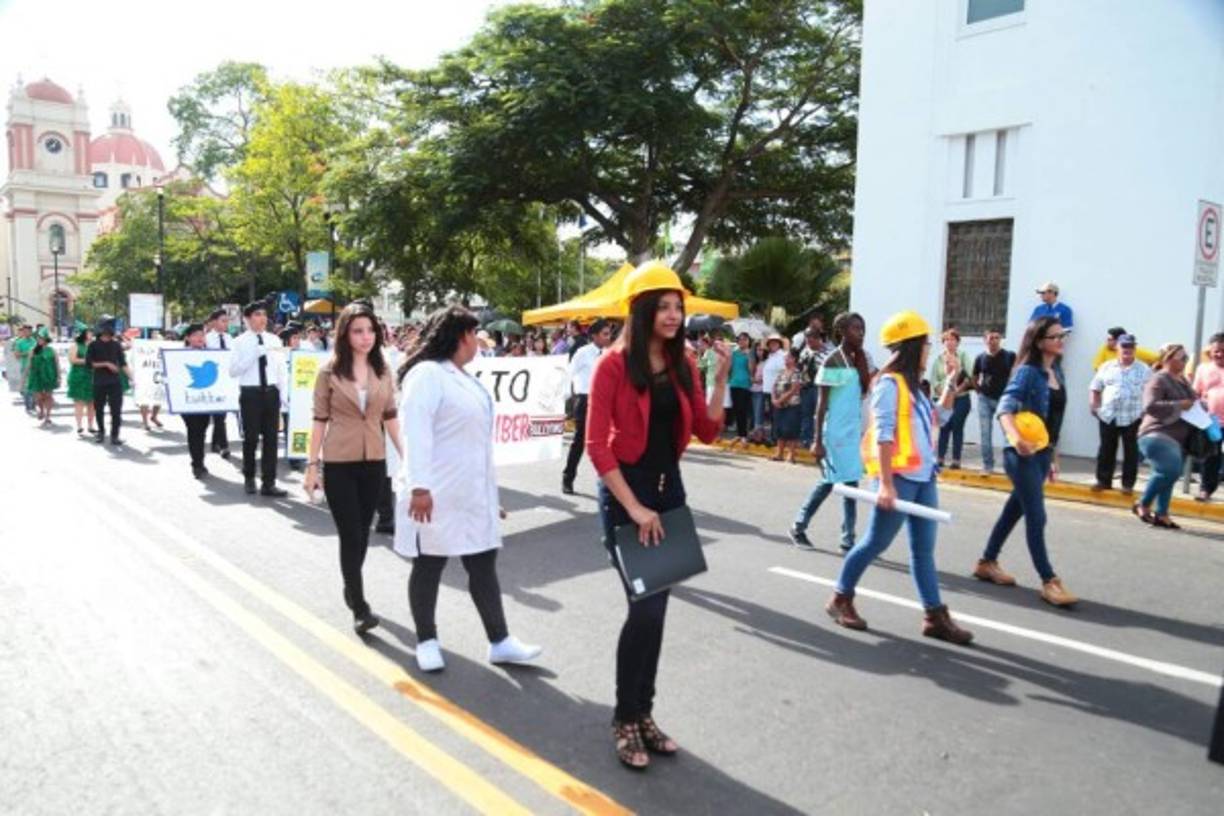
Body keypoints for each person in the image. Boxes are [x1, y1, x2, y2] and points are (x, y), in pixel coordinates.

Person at [586, 260, 729, 770]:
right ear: (642, 310)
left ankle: (644, 713)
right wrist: (635, 507)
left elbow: (708, 431)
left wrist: (718, 381)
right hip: (629, 497)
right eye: (664, 307)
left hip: (670, 496)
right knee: (644, 609)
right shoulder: (611, 365)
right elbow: (596, 447)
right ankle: (625, 719)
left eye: (678, 307)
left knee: (658, 611)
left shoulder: (683, 361)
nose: (673, 315)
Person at [394, 304, 541, 673]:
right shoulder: (427, 375)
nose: (479, 340)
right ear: (460, 336)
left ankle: (500, 641)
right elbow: (416, 435)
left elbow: (475, 444)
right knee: (429, 564)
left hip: (471, 493)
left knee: (483, 563)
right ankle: (426, 640)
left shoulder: (464, 378)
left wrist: (490, 497)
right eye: (474, 333)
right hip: (434, 492)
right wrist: (420, 488)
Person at [825, 310, 972, 645]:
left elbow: (940, 417)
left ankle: (934, 616)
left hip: (924, 478)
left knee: (923, 551)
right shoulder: (889, 384)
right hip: (899, 479)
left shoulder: (914, 387)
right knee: (875, 542)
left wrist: (951, 381)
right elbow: (884, 434)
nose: (929, 350)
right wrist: (887, 485)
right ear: (911, 346)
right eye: (925, 344)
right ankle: (840, 598)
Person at [303, 303, 403, 634]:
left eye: (371, 330)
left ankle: (351, 586)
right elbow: (319, 419)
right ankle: (360, 607)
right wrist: (312, 466)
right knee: (350, 534)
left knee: (363, 532)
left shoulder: (384, 370)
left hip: (374, 460)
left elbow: (390, 416)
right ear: (345, 334)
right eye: (358, 331)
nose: (366, 337)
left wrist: (408, 456)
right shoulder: (328, 372)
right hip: (339, 462)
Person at [974, 317, 1078, 607]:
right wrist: (1016, 439)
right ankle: (1049, 580)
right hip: (1021, 455)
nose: (1061, 340)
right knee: (1037, 515)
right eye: (1055, 336)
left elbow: (1052, 422)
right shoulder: (1027, 373)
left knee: (1014, 510)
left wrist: (1053, 456)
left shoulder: (1056, 372)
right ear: (1039, 342)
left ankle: (987, 562)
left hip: (1042, 454)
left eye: (1062, 335)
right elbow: (1005, 408)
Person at [790, 312, 871, 552]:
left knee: (850, 485)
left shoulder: (859, 359)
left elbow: (866, 389)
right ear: (841, 332)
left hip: (850, 435)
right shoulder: (832, 360)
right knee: (829, 482)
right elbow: (821, 404)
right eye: (855, 329)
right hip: (832, 435)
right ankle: (799, 526)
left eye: (862, 329)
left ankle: (848, 540)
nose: (861, 333)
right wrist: (817, 440)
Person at [1135, 344, 1199, 530]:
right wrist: (1179, 404)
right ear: (1168, 359)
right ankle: (1143, 503)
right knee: (1171, 471)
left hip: (1178, 437)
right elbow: (1150, 405)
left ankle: (1162, 514)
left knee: (1167, 475)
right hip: (1157, 432)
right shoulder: (1158, 379)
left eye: (1186, 357)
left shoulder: (1183, 380)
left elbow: (1192, 402)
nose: (1186, 360)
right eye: (1182, 357)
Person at [229, 301, 288, 497]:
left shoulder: (274, 340)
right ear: (247, 319)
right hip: (250, 393)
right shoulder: (239, 342)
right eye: (257, 314)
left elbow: (281, 369)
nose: (262, 318)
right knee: (251, 438)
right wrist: (253, 355)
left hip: (271, 393)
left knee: (272, 439)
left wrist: (283, 394)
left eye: (264, 314)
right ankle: (249, 477)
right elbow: (233, 371)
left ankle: (269, 483)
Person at [1089, 334, 1151, 493]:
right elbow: (1095, 387)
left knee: (1131, 452)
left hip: (1133, 416)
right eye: (1124, 346)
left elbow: (1150, 393)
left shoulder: (1144, 369)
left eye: (1130, 346)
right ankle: (1103, 481)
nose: (1127, 349)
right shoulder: (1106, 367)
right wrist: (1094, 405)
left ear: (1135, 348)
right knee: (1106, 450)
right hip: (1108, 415)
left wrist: (1145, 414)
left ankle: (1127, 485)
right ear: (1118, 347)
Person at [563, 318, 612, 495]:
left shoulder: (608, 354)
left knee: (606, 444)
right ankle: (568, 478)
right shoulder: (582, 353)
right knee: (579, 442)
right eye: (605, 334)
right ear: (594, 336)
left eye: (609, 334)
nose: (608, 337)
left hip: (603, 402)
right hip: (584, 400)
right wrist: (565, 399)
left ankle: (609, 484)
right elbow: (569, 374)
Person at [972, 328, 1015, 474]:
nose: (994, 341)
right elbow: (974, 377)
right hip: (985, 399)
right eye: (991, 338)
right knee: (985, 434)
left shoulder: (1009, 356)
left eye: (997, 337)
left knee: (1008, 434)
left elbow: (1015, 374)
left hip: (1004, 400)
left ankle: (1010, 466)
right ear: (985, 340)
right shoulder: (980, 358)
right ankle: (987, 465)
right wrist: (979, 391)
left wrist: (1011, 394)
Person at [929, 328, 973, 469]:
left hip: (961, 398)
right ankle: (940, 458)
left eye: (952, 339)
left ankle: (956, 460)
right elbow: (934, 381)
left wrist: (955, 391)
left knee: (957, 427)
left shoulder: (963, 356)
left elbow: (969, 377)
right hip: (942, 398)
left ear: (958, 342)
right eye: (946, 339)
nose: (949, 342)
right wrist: (944, 393)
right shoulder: (938, 359)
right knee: (944, 427)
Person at [86, 321, 132, 446]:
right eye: (106, 332)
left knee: (116, 410)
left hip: (115, 382)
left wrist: (132, 378)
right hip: (99, 382)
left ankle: (114, 436)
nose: (108, 335)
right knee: (99, 409)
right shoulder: (93, 345)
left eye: (110, 333)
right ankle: (101, 432)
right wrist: (106, 364)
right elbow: (89, 364)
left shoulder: (116, 345)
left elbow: (123, 363)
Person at [180, 325, 215, 479]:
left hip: (205, 401)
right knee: (194, 431)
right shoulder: (179, 356)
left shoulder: (210, 355)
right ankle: (197, 464)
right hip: (187, 402)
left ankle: (199, 460)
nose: (200, 338)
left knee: (202, 430)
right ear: (188, 338)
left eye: (202, 335)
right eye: (196, 335)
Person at [1193, 333, 1224, 502]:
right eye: (1216, 351)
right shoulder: (1203, 369)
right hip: (1212, 421)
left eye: (1223, 351)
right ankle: (1205, 489)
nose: (1219, 354)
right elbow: (1196, 393)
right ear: (1210, 351)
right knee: (1210, 457)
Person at [797, 323, 833, 447]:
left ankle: (821, 440)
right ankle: (806, 440)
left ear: (818, 338)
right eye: (807, 338)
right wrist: (800, 381)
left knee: (821, 414)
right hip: (806, 388)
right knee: (806, 414)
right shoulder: (804, 352)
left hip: (821, 388)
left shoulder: (829, 352)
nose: (808, 341)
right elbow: (800, 368)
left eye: (811, 338)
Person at [204, 308, 232, 459]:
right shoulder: (207, 339)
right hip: (212, 381)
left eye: (227, 321)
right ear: (214, 322)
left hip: (227, 380)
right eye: (223, 321)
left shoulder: (230, 338)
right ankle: (224, 445)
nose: (226, 324)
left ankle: (215, 443)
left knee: (221, 415)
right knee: (219, 415)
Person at [771, 349, 803, 462]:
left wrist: (780, 400)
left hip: (792, 405)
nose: (785, 359)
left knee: (791, 429)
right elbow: (774, 386)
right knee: (779, 429)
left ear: (794, 359)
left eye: (788, 357)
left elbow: (794, 389)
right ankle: (779, 453)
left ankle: (791, 454)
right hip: (779, 405)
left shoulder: (796, 373)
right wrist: (774, 399)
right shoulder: (782, 372)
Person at [66, 328, 96, 436]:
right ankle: (79, 426)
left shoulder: (94, 345)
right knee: (79, 402)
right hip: (78, 376)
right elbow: (72, 360)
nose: (91, 334)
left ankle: (91, 425)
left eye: (91, 332)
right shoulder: (76, 346)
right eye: (89, 332)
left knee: (92, 403)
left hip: (93, 376)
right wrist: (87, 361)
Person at [26, 329, 60, 426]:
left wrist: (59, 376)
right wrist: (26, 377)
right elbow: (29, 365)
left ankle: (48, 416)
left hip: (50, 375)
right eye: (38, 338)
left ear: (46, 340)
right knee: (39, 397)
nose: (39, 340)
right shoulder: (33, 350)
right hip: (36, 376)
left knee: (48, 396)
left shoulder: (52, 350)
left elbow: (57, 364)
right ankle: (41, 410)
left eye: (41, 338)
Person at [727, 332, 754, 446]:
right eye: (740, 339)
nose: (742, 341)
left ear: (748, 341)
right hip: (734, 383)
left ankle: (744, 435)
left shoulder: (750, 353)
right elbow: (729, 368)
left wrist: (749, 356)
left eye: (745, 339)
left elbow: (751, 370)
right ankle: (739, 434)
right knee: (737, 410)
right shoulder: (733, 353)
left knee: (743, 410)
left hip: (745, 384)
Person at [759, 334, 788, 437]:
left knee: (777, 416)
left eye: (775, 343)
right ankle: (773, 436)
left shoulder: (783, 356)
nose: (773, 345)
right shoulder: (770, 356)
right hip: (767, 390)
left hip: (776, 391)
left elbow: (784, 373)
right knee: (771, 416)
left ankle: (776, 437)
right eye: (771, 343)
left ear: (779, 344)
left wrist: (778, 390)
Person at [1092, 326, 1159, 370]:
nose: (1106, 342)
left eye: (1110, 339)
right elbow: (1097, 366)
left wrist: (1154, 368)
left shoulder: (1137, 351)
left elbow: (1157, 358)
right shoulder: (1105, 349)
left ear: (1118, 341)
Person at [12, 324, 36, 414]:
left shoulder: (35, 341)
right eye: (25, 331)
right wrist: (27, 353)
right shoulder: (19, 342)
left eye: (29, 331)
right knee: (26, 387)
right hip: (24, 366)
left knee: (34, 386)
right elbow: (16, 355)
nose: (27, 333)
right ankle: (28, 406)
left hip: (35, 367)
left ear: (31, 332)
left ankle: (33, 404)